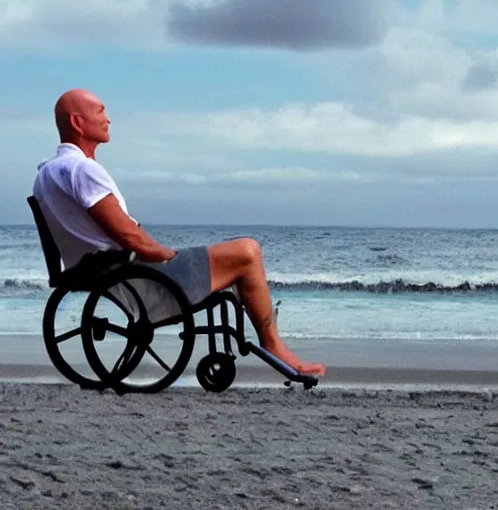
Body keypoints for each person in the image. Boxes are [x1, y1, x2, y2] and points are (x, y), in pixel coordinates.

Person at [33, 88, 326, 378]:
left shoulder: (46, 173)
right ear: (77, 122)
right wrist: (167, 255)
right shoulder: (82, 170)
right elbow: (131, 237)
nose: (108, 119)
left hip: (100, 270)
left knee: (228, 257)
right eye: (100, 112)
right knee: (248, 252)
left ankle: (265, 340)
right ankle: (273, 344)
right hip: (133, 273)